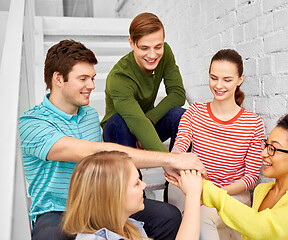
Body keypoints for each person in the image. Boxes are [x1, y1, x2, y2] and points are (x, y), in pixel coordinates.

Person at [18, 39, 205, 240]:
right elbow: (93, 153)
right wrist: (169, 158)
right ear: (58, 79)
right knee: (49, 237)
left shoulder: (89, 114)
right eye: (83, 79)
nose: (91, 85)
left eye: (92, 78)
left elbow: (106, 163)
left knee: (168, 216)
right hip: (58, 210)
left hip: (100, 203)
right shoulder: (32, 122)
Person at [198, 112, 288, 239]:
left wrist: (203, 187)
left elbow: (260, 228)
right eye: (266, 145)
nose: (263, 153)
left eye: (273, 148)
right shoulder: (263, 190)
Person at [170, 49, 265, 239]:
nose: (218, 85)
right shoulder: (194, 112)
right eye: (214, 78)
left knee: (203, 218)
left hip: (231, 194)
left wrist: (211, 194)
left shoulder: (253, 123)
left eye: (227, 80)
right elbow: (179, 146)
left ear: (240, 79)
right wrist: (177, 163)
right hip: (197, 189)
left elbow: (251, 178)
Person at [62, 151, 202, 240]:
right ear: (113, 197)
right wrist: (193, 195)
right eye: (136, 183)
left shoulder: (130, 227)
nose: (144, 185)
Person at [101, 12, 186, 153]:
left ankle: (180, 174)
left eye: (158, 47)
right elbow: (137, 122)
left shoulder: (166, 54)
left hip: (148, 124)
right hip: (119, 132)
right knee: (120, 121)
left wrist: (150, 119)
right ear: (132, 43)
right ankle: (134, 175)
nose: (152, 55)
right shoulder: (119, 76)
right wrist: (169, 161)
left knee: (181, 115)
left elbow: (177, 94)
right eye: (144, 48)